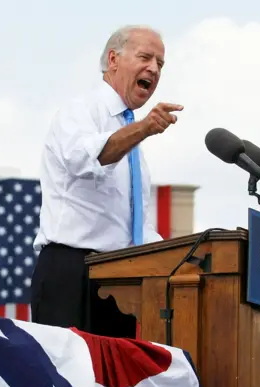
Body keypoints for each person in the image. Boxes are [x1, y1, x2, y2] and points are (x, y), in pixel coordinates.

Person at [31, 25, 183, 336]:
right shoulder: (80, 111)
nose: (153, 69)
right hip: (72, 273)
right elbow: (85, 158)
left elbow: (132, 227)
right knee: (71, 380)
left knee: (113, 383)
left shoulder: (133, 142)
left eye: (160, 64)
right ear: (113, 59)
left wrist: (180, 259)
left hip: (120, 279)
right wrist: (144, 128)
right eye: (145, 57)